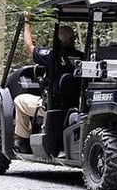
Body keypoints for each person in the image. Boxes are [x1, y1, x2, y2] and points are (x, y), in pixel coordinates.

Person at [13, 15, 84, 154]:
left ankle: (22, 140)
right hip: (78, 105)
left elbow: (29, 47)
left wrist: (27, 22)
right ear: (72, 39)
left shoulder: (51, 55)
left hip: (53, 106)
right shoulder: (83, 57)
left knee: (19, 100)